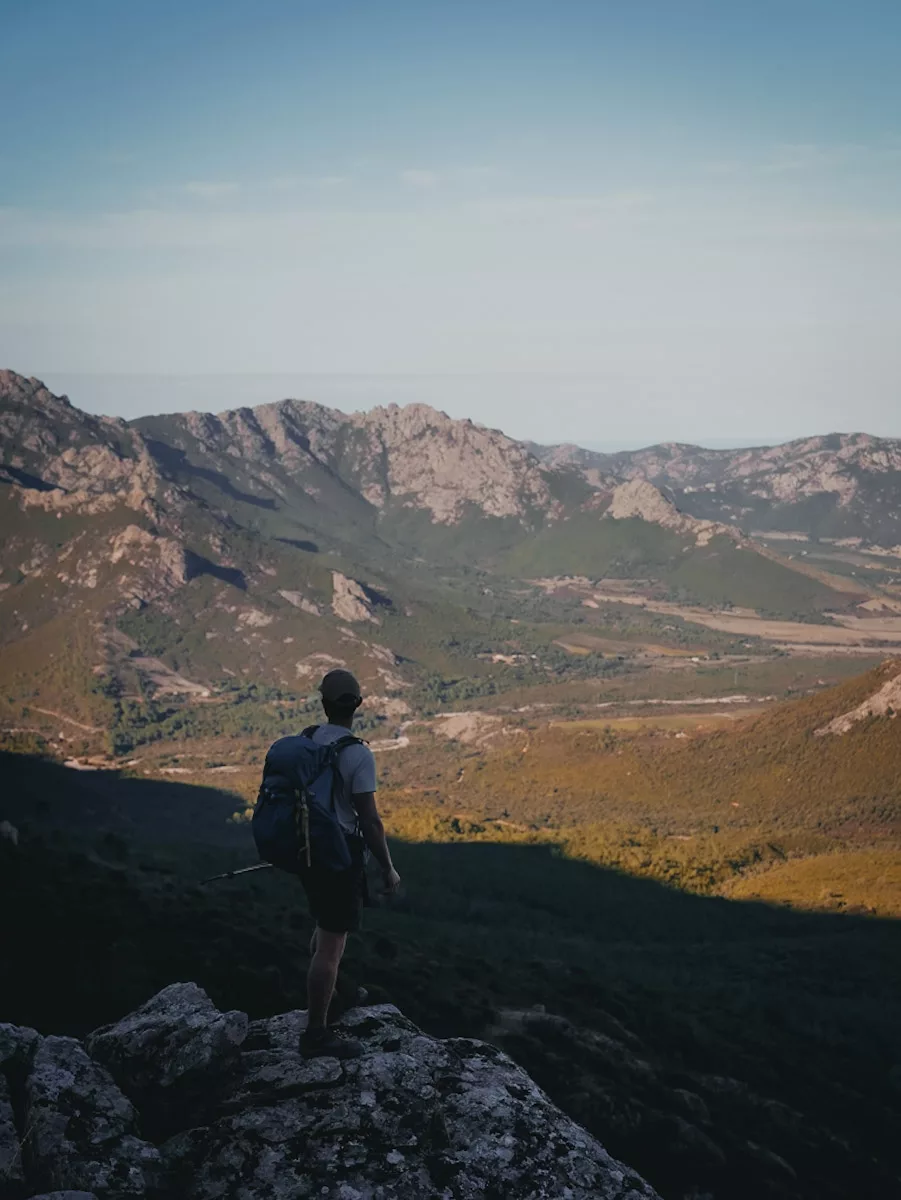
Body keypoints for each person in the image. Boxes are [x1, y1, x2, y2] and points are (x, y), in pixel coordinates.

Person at [298, 668, 401, 1059]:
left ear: (322, 702)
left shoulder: (306, 739)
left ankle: (335, 995)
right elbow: (370, 820)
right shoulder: (357, 753)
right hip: (339, 853)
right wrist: (387, 866)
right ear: (357, 705)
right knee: (332, 945)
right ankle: (316, 1033)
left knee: (325, 923)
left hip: (307, 849)